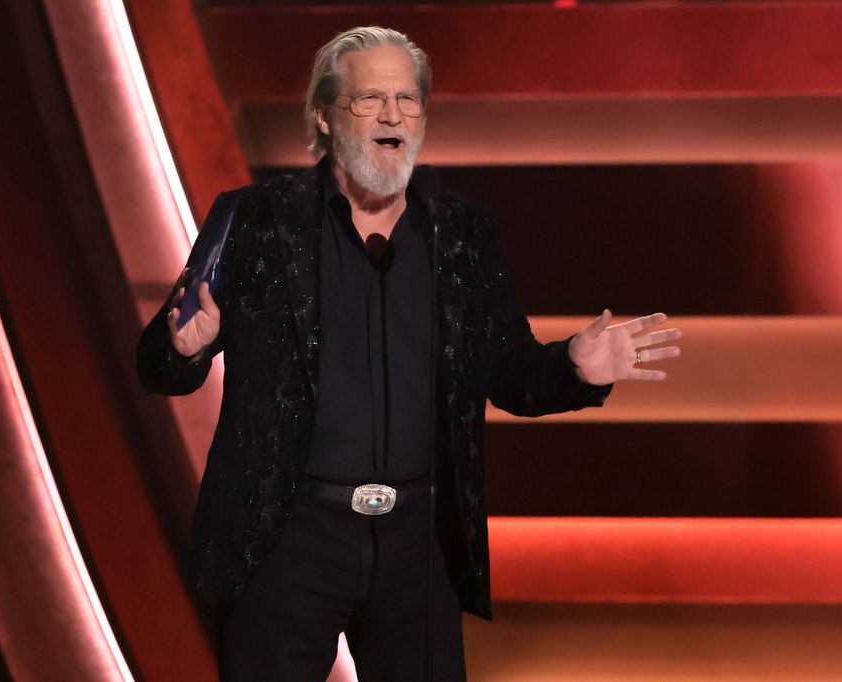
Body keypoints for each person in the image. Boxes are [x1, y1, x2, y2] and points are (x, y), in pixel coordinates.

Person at [137, 26, 681, 682]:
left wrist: (571, 367)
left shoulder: (465, 236)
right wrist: (182, 347)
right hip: (283, 538)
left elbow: (507, 370)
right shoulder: (254, 220)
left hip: (417, 548)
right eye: (370, 98)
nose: (393, 114)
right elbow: (158, 365)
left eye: (408, 99)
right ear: (324, 116)